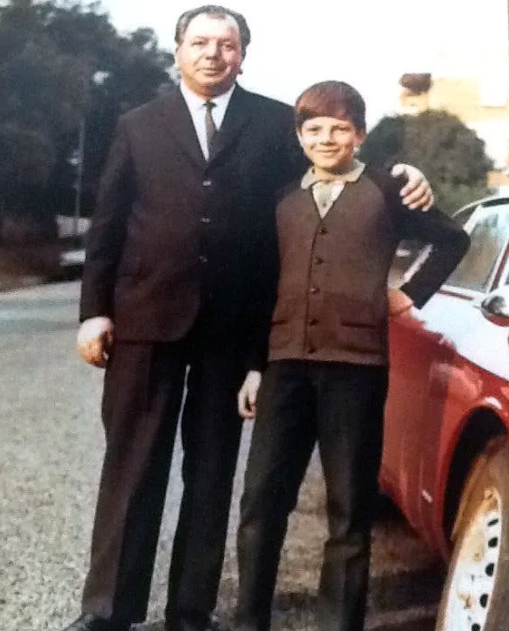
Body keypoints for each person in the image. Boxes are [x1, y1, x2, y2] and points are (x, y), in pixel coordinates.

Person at [63, 5, 434, 631]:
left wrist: (406, 175)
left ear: (243, 54)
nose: (213, 53)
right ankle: (107, 609)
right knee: (133, 464)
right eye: (200, 42)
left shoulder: (274, 123)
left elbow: (333, 166)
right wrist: (94, 311)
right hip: (145, 318)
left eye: (227, 44)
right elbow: (107, 225)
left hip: (231, 328)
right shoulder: (138, 125)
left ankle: (191, 610)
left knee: (211, 471)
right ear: (178, 50)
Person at [234, 80, 470, 631]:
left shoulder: (386, 189)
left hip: (356, 370)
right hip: (284, 366)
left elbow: (451, 240)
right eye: (314, 128)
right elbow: (261, 286)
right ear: (299, 136)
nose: (326, 138)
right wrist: (254, 367)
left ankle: (339, 623)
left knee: (348, 507)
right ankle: (248, 620)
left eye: (340, 128)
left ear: (359, 135)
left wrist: (408, 294)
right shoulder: (281, 196)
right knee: (261, 501)